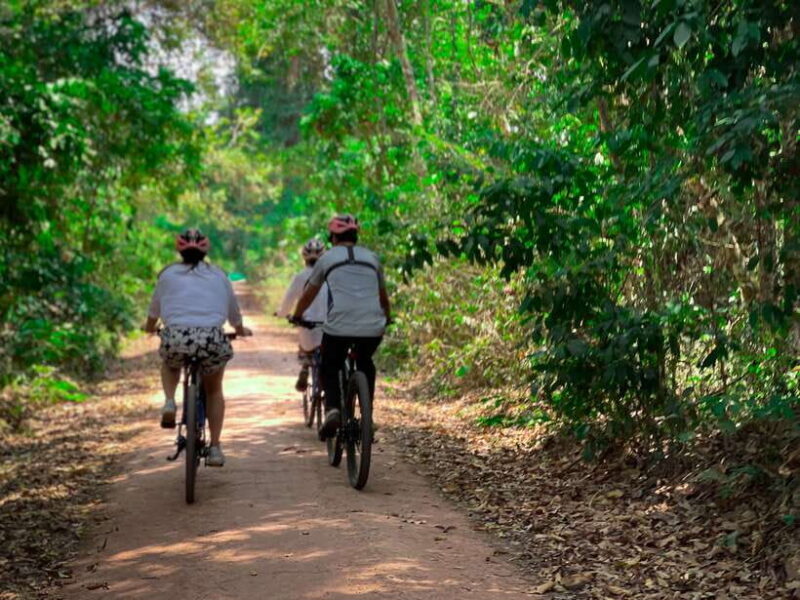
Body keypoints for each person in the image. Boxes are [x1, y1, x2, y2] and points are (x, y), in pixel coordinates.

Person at [142, 229, 252, 467]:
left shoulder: (167, 274)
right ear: (205, 251)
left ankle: (170, 401)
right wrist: (241, 329)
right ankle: (214, 448)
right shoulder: (220, 276)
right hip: (211, 338)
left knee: (171, 364)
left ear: (179, 250)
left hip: (177, 336)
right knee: (214, 390)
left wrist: (149, 327)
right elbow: (234, 314)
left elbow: (154, 312)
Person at [291, 215, 391, 439]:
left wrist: (297, 315)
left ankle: (333, 409)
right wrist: (388, 317)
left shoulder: (327, 259)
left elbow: (309, 294)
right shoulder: (373, 258)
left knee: (330, 363)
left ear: (333, 237)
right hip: (372, 327)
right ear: (356, 235)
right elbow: (383, 298)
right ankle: (368, 417)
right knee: (365, 361)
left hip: (338, 328)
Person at [275, 238, 328, 392]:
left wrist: (282, 314)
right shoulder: (330, 275)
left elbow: (288, 301)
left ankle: (305, 366)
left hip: (308, 328)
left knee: (306, 347)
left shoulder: (300, 277)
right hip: (330, 327)